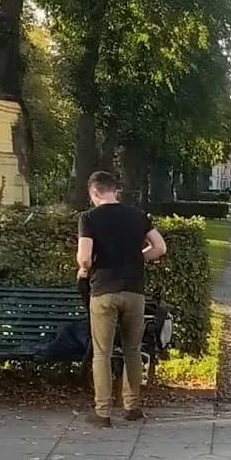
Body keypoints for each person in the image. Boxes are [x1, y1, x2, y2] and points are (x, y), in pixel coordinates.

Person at [76, 170, 167, 428]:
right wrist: (140, 257)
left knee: (102, 353)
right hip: (134, 291)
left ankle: (102, 412)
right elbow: (160, 247)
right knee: (132, 350)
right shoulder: (137, 216)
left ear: (95, 192)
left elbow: (84, 257)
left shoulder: (89, 218)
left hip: (104, 291)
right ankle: (132, 407)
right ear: (114, 190)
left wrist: (85, 268)